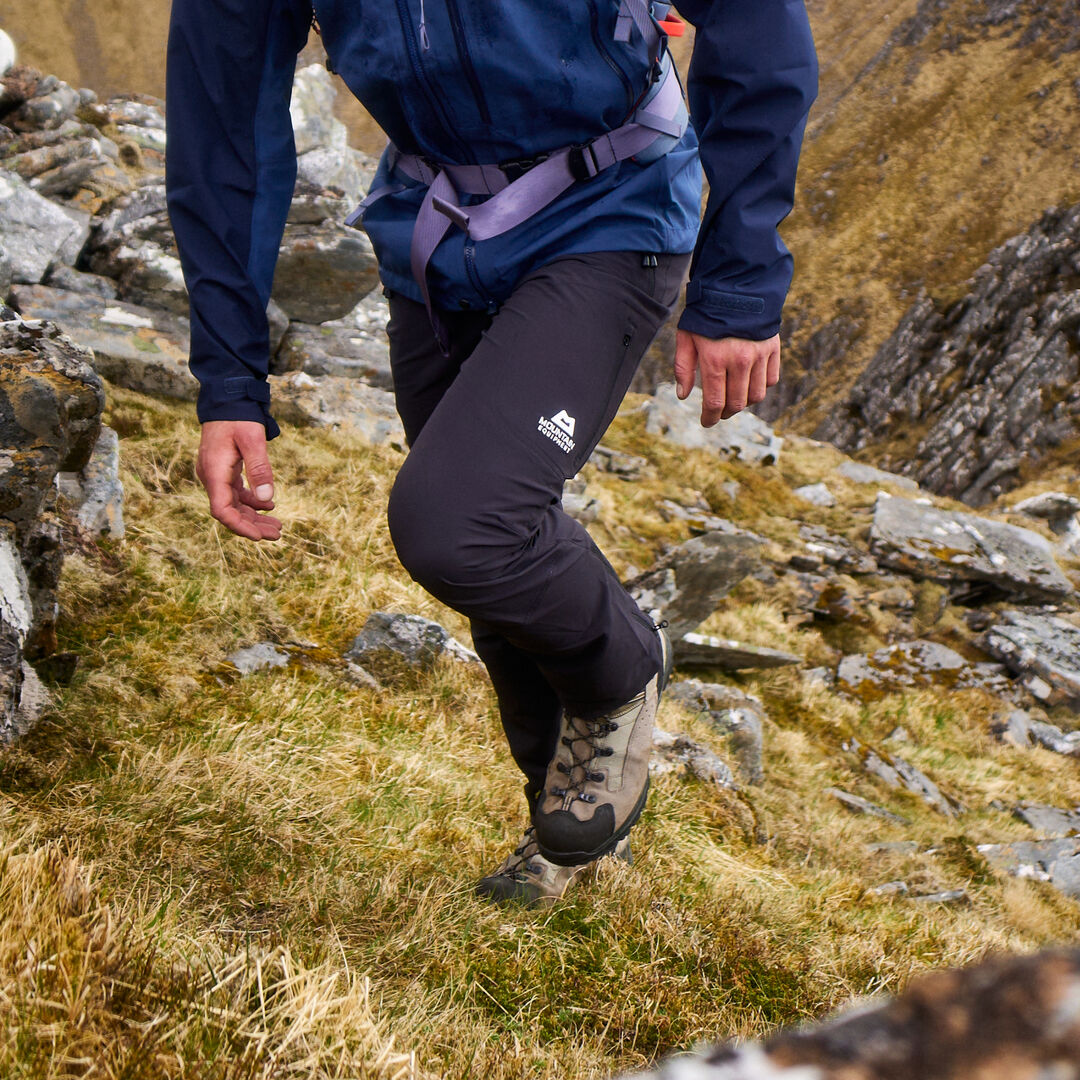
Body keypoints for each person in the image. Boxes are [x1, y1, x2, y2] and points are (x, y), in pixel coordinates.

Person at [165, 0, 818, 906]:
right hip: (436, 235)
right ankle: (568, 846)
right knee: (494, 546)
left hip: (610, 208)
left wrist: (740, 278)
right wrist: (230, 381)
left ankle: (624, 667)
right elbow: (224, 126)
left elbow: (757, 24)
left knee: (461, 523)